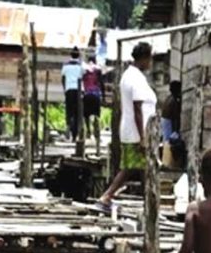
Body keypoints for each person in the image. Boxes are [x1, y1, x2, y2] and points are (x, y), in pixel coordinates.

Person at [97, 43, 157, 208]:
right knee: (131, 168)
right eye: (150, 59)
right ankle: (107, 195)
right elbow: (138, 109)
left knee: (142, 168)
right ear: (144, 58)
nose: (150, 63)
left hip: (134, 130)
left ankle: (149, 201)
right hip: (136, 131)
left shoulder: (131, 75)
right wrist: (142, 137)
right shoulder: (135, 78)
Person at [60, 48, 84, 140]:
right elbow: (83, 77)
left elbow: (63, 79)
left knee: (69, 111)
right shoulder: (80, 66)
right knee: (77, 112)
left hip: (69, 90)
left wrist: (65, 89)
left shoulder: (65, 66)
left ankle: (68, 128)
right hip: (78, 90)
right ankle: (75, 134)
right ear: (78, 55)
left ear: (71, 55)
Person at [81, 56, 103, 143]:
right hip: (96, 95)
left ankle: (89, 131)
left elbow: (82, 83)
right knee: (96, 115)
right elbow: (101, 84)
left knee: (86, 115)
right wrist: (103, 96)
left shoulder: (85, 72)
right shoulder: (98, 71)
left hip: (87, 95)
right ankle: (96, 131)